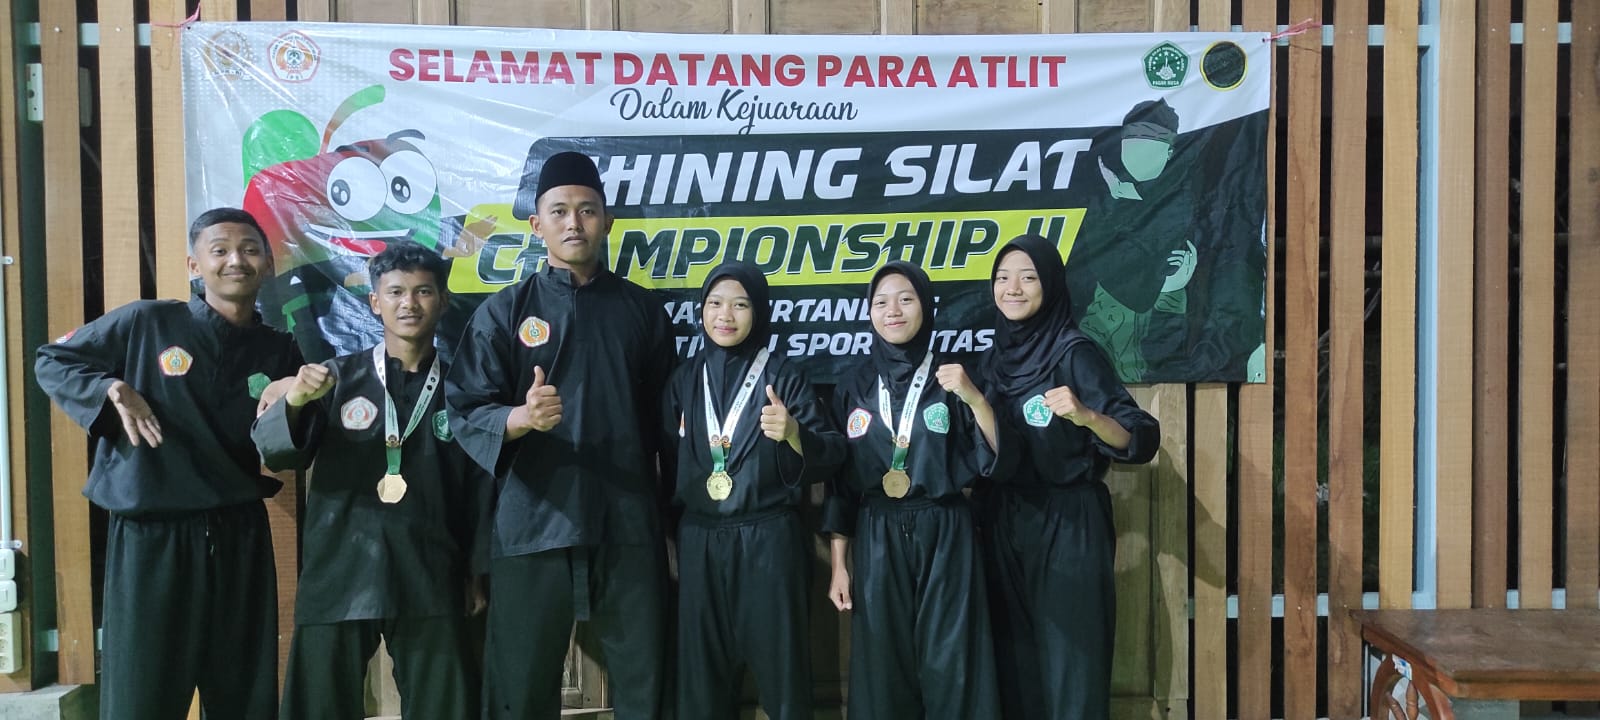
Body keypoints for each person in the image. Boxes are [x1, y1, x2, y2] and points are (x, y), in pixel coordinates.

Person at [34, 208, 302, 720]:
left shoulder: (279, 348)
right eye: (219, 250)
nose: (235, 260)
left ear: (267, 264)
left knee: (243, 689)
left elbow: (293, 444)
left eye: (249, 249)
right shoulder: (148, 321)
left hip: (239, 532)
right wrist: (108, 387)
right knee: (143, 692)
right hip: (151, 535)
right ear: (194, 264)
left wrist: (295, 395)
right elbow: (53, 359)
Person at [445, 151, 676, 719]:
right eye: (560, 211)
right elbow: (463, 407)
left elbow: (670, 422)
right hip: (533, 523)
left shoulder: (642, 311)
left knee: (647, 681)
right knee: (519, 685)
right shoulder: (505, 311)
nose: (574, 223)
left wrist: (672, 524)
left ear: (607, 220)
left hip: (625, 522)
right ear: (536, 224)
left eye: (587, 210)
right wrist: (517, 419)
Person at [252, 241, 490, 719]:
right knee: (317, 708)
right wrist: (295, 402)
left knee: (447, 708)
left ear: (443, 301)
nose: (410, 303)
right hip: (340, 570)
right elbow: (276, 453)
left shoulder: (463, 388)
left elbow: (480, 490)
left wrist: (478, 569)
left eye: (423, 291)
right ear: (374, 302)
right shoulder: (335, 378)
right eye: (396, 292)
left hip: (431, 571)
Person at [981, 234, 1161, 720]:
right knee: (1015, 666)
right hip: (1004, 520)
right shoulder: (994, 358)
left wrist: (1087, 416)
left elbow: (1141, 437)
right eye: (1002, 278)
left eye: (1027, 277)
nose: (1012, 288)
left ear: (1052, 285)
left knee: (1073, 665)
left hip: (1069, 520)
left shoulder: (1074, 352)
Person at [821, 260, 1007, 720]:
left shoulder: (954, 378)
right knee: (882, 662)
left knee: (954, 657)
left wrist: (975, 397)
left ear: (926, 306)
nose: (893, 311)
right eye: (881, 302)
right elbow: (841, 484)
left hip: (945, 526)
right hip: (877, 529)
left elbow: (997, 457)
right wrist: (839, 566)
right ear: (869, 313)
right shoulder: (853, 386)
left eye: (906, 299)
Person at [661, 262, 844, 720]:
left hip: (768, 539)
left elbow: (835, 452)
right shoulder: (684, 380)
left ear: (758, 312)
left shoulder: (784, 376)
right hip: (699, 540)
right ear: (701, 311)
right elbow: (665, 460)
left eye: (740, 304)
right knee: (700, 677)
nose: (726, 315)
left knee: (783, 675)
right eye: (715, 303)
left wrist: (795, 433)